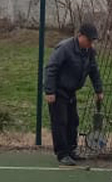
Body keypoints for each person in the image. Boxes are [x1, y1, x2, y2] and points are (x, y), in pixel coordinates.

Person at [44, 22, 104, 166]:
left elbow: (93, 71)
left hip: (71, 91)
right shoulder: (64, 48)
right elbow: (51, 68)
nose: (91, 43)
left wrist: (99, 90)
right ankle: (62, 153)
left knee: (73, 121)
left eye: (92, 41)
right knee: (60, 122)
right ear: (80, 36)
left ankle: (72, 150)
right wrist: (50, 91)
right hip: (58, 90)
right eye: (89, 40)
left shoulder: (89, 52)